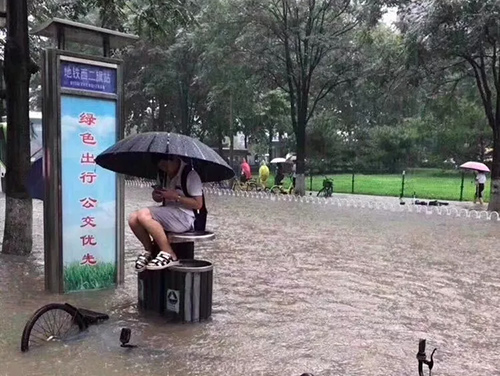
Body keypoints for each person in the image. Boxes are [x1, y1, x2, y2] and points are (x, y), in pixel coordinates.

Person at [129, 156, 203, 272]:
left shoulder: (190, 175)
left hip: (185, 217)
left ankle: (169, 254)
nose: (165, 170)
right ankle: (150, 251)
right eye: (161, 166)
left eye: (166, 166)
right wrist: (157, 195)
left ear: (175, 160)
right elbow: (157, 198)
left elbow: (198, 204)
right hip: (168, 213)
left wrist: (176, 197)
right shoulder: (162, 174)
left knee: (144, 215)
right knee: (133, 218)